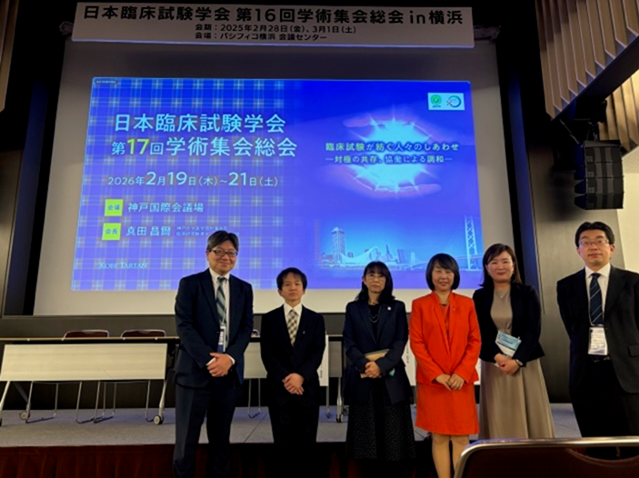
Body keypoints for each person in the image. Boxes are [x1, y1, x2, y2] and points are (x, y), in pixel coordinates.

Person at [173, 230, 254, 478]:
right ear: (208, 253)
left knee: (221, 441)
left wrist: (229, 359)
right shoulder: (190, 284)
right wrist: (210, 361)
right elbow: (184, 326)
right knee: (186, 442)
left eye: (231, 252)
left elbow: (246, 328)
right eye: (219, 251)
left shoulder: (244, 289)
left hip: (227, 375)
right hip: (194, 374)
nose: (225, 257)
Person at [557, 221, 639, 439]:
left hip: (625, 371)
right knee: (595, 440)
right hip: (585, 372)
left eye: (599, 241)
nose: (593, 246)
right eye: (585, 242)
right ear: (578, 250)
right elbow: (571, 326)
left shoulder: (633, 282)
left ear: (611, 248)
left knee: (632, 440)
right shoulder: (566, 286)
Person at [473, 243, 555, 439]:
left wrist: (517, 360)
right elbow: (481, 331)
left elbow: (533, 330)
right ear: (486, 267)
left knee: (530, 409)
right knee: (499, 411)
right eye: (494, 262)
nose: (500, 266)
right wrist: (498, 357)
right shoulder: (480, 296)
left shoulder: (527, 292)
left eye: (505, 261)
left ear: (513, 265)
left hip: (524, 362)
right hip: (495, 363)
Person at [410, 253, 480, 478]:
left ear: (455, 275)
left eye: (448, 271)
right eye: (438, 271)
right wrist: (437, 374)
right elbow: (417, 343)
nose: (443, 276)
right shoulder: (419, 304)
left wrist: (462, 372)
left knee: (461, 436)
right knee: (439, 436)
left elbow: (475, 341)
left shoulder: (467, 303)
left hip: (461, 382)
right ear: (430, 274)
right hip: (434, 383)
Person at [343, 261, 415, 477]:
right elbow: (349, 342)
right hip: (363, 380)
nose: (376, 279)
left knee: (394, 444)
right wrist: (366, 365)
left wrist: (381, 366)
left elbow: (400, 341)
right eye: (371, 275)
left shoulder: (397, 307)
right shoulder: (353, 308)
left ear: (387, 280)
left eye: (381, 276)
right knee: (366, 445)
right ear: (363, 279)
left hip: (391, 381)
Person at [260, 267, 326, 478]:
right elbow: (267, 353)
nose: (293, 288)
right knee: (283, 447)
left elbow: (317, 352)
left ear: (304, 289)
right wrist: (287, 379)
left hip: (307, 390)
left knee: (307, 446)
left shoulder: (315, 319)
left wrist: (300, 376)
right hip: (279, 391)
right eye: (287, 284)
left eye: (297, 284)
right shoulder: (269, 319)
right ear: (280, 291)